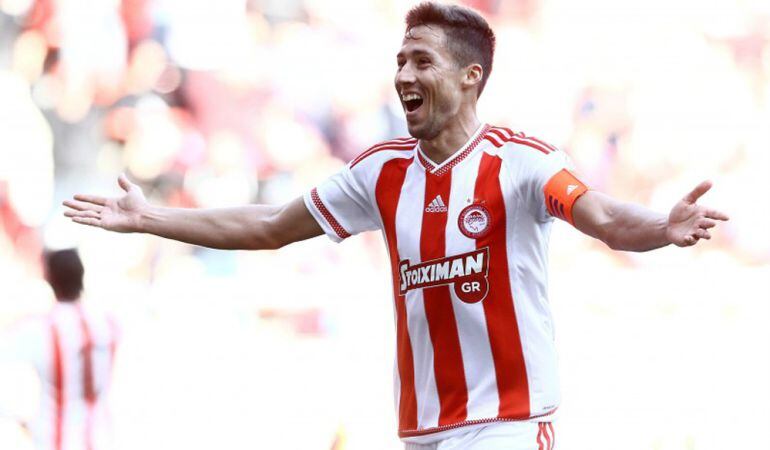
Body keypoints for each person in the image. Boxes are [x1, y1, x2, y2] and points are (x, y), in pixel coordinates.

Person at [63, 3, 728, 449]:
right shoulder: (379, 173)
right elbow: (269, 225)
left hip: (510, 424)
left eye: (421, 62)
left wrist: (661, 228)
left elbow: (606, 217)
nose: (403, 75)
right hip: (422, 431)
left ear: (471, 78)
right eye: (401, 60)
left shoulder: (522, 162)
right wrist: (150, 216)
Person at [0, 249, 119, 450]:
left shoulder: (39, 330)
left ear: (49, 278)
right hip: (102, 438)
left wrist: (16, 416)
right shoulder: (108, 322)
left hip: (55, 442)